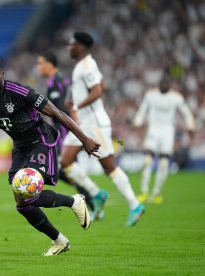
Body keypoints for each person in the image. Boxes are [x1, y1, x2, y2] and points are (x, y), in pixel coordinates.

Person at [0, 56, 100, 256]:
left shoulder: (20, 92)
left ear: (2, 75)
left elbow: (56, 113)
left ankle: (75, 201)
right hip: (20, 147)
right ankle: (59, 241)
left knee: (28, 190)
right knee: (22, 204)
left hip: (41, 141)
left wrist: (84, 138)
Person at [61, 32, 144, 226]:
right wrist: (73, 100)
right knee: (65, 162)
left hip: (96, 124)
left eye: (72, 44)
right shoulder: (83, 65)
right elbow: (102, 84)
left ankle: (135, 204)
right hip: (84, 123)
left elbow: (98, 90)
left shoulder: (88, 65)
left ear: (80, 46)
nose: (69, 47)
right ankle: (96, 194)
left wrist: (77, 106)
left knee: (109, 166)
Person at [36, 51, 107, 213]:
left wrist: (68, 135)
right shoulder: (54, 82)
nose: (38, 67)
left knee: (65, 170)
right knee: (67, 171)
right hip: (64, 133)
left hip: (65, 134)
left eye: (40, 63)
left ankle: (95, 197)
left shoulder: (58, 82)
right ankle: (95, 205)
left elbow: (63, 111)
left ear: (50, 64)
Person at [133, 74, 195, 203]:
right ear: (158, 85)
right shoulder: (151, 95)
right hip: (153, 129)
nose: (163, 86)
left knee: (164, 163)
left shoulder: (176, 97)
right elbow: (143, 109)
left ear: (169, 86)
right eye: (161, 84)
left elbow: (186, 111)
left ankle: (156, 193)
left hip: (167, 131)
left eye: (165, 84)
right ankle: (144, 191)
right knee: (147, 160)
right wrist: (137, 121)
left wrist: (190, 125)